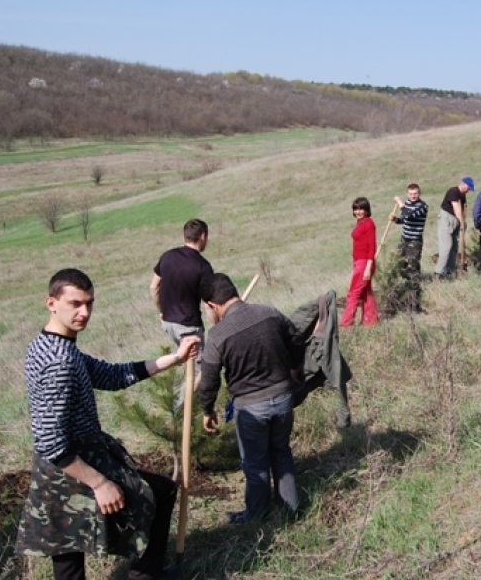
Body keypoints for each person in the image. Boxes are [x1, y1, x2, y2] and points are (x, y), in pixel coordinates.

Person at [16, 268, 200, 580]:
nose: (84, 313)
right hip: (70, 465)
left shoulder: (52, 345)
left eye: (89, 303)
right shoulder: (59, 361)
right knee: (158, 493)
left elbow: (110, 375)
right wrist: (100, 484)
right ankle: (146, 575)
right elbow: (51, 442)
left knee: (67, 550)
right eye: (75, 304)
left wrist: (176, 358)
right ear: (51, 302)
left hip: (59, 464)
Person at [198, 273, 304, 522]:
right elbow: (297, 340)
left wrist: (207, 410)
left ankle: (257, 516)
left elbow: (209, 380)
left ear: (212, 305)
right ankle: (291, 510)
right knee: (281, 452)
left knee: (255, 464)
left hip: (251, 409)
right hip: (283, 398)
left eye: (206, 309)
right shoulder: (269, 312)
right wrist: (294, 367)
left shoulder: (217, 336)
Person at [149, 219, 213, 378]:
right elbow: (209, 303)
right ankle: (185, 403)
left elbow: (153, 287)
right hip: (189, 327)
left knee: (185, 361)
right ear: (203, 236)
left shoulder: (167, 256)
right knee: (199, 373)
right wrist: (220, 326)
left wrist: (162, 311)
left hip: (169, 323)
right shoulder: (203, 266)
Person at [389, 183, 428, 313]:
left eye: (415, 193)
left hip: (415, 242)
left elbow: (411, 215)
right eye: (411, 194)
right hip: (404, 240)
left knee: (413, 271)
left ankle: (414, 304)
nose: (413, 196)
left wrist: (400, 203)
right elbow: (404, 219)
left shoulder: (423, 206)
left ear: (419, 193)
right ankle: (400, 298)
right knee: (398, 267)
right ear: (408, 194)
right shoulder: (407, 204)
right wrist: (395, 220)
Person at [341, 197, 379, 326]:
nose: (358, 211)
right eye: (356, 209)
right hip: (359, 262)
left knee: (353, 293)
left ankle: (345, 324)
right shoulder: (360, 222)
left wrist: (368, 267)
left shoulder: (369, 224)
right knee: (366, 292)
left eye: (361, 209)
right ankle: (371, 321)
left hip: (365, 263)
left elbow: (372, 247)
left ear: (367, 210)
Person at [435, 176, 474, 279]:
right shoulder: (453, 191)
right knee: (446, 247)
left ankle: (450, 270)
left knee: (454, 247)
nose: (469, 190)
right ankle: (439, 272)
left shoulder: (462, 195)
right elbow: (457, 209)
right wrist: (462, 223)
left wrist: (462, 223)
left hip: (456, 221)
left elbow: (462, 210)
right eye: (469, 187)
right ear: (463, 184)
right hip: (447, 220)